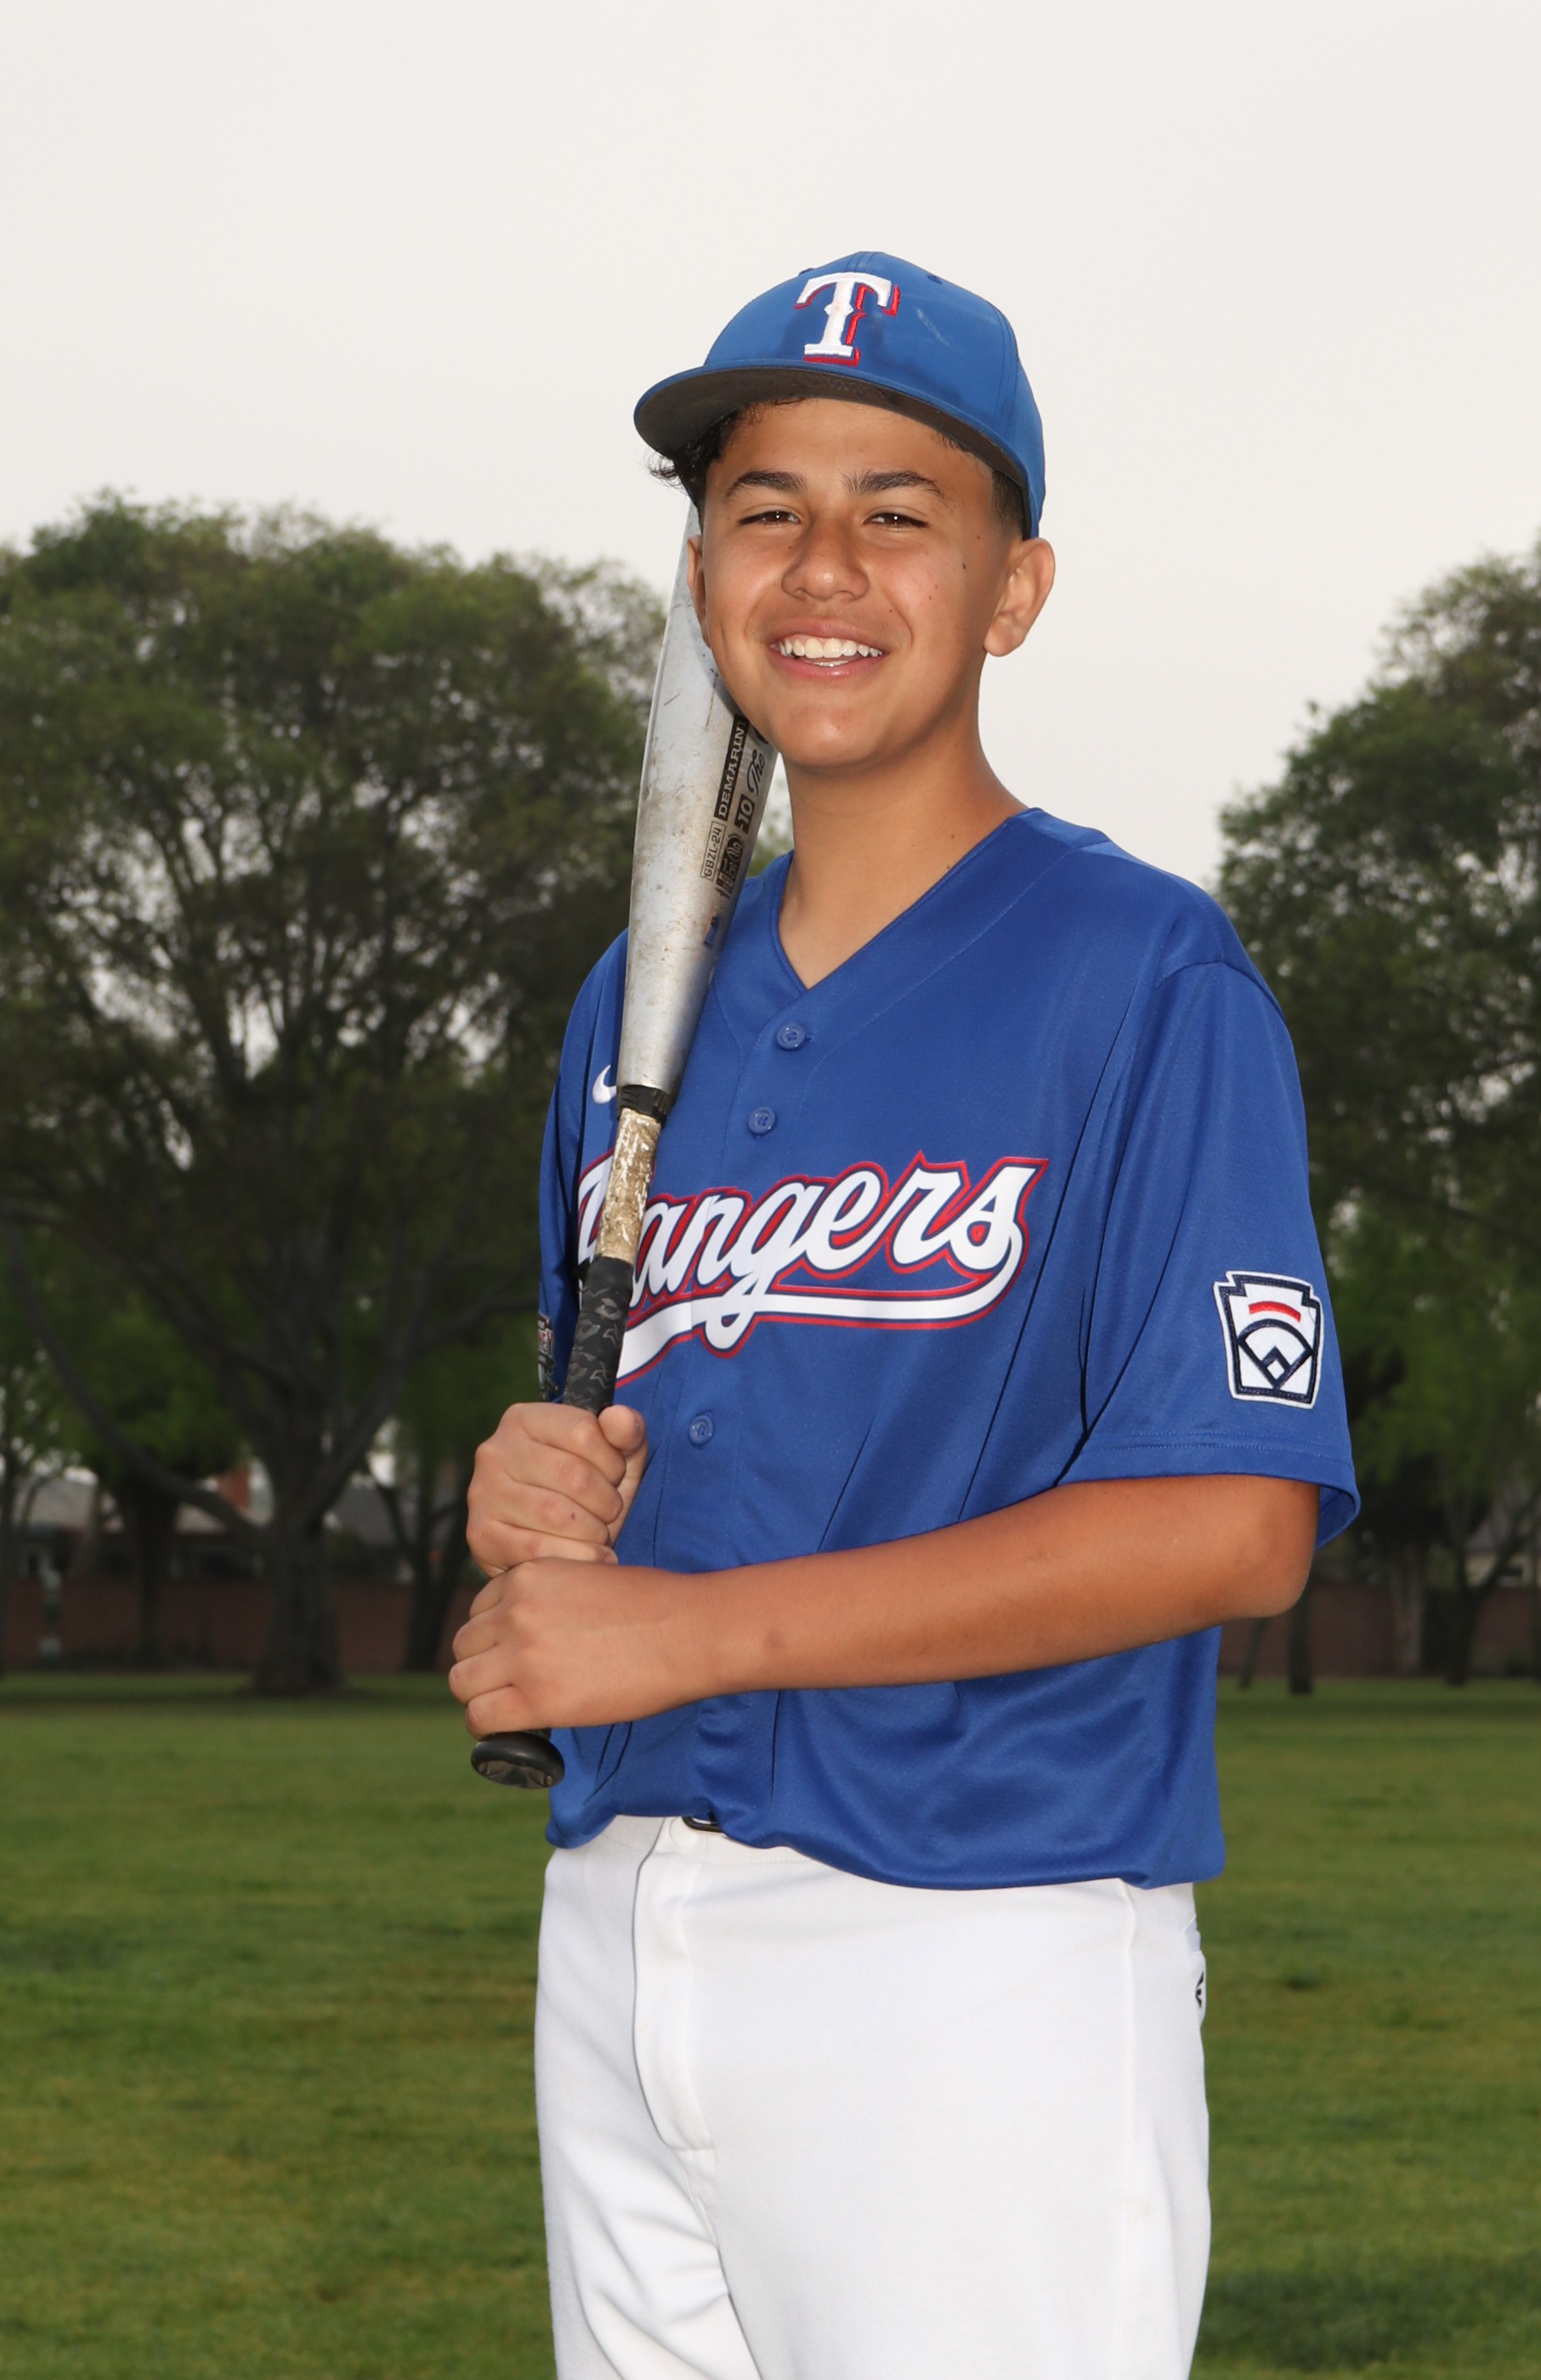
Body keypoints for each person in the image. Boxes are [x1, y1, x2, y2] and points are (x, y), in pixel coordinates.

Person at [450, 252, 1357, 2380]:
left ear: (1014, 587)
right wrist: (546, 1496)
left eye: (899, 510)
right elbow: (650, 1439)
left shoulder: (1145, 975)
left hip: (974, 1946)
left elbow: (1236, 1522)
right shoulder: (636, 1000)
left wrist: (686, 1630)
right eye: (763, 508)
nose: (823, 566)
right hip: (618, 1908)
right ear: (702, 577)